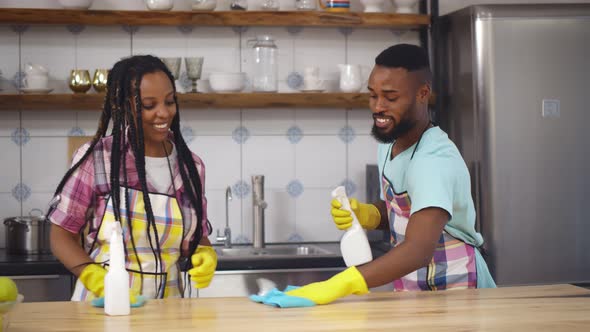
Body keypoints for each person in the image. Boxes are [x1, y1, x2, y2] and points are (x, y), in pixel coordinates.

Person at [255, 44, 496, 307]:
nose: (378, 107)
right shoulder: (389, 144)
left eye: (390, 98)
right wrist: (370, 214)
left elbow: (418, 249)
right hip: (416, 294)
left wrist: (342, 282)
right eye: (373, 95)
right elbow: (404, 210)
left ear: (422, 93)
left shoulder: (434, 160)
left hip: (458, 295)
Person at [47, 55, 217, 304]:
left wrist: (204, 252)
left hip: (166, 307)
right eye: (149, 105)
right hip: (103, 304)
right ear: (123, 106)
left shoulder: (191, 166)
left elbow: (196, 237)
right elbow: (61, 235)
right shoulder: (98, 158)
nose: (163, 112)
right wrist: (93, 276)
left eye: (169, 101)